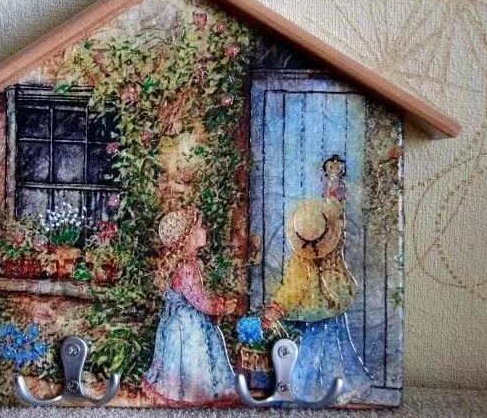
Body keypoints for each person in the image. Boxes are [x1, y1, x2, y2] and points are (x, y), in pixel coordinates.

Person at [263, 155, 373, 404]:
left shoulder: (300, 262)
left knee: (314, 350)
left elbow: (291, 290)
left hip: (313, 313)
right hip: (332, 306)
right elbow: (335, 210)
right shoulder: (333, 249)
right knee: (336, 347)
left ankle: (308, 389)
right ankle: (341, 385)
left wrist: (276, 308)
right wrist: (334, 180)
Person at [143, 207, 246, 407]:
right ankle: (190, 394)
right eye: (200, 227)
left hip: (174, 323)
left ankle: (182, 391)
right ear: (188, 236)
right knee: (192, 357)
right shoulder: (187, 268)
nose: (204, 230)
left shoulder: (185, 264)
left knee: (178, 358)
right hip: (188, 327)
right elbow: (200, 302)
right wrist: (223, 306)